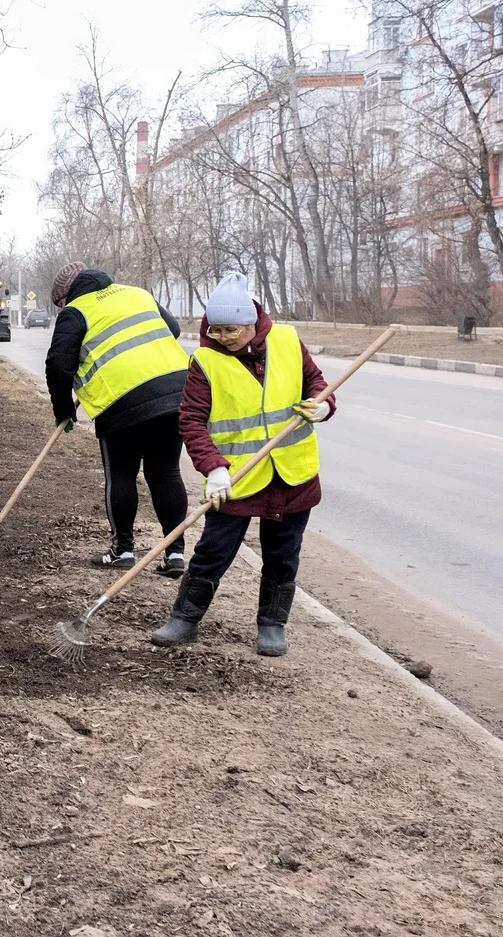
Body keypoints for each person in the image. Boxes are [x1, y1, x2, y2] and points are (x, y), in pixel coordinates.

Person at [150, 273, 336, 658]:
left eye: (230, 329)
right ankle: (185, 619)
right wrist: (213, 468)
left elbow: (316, 383)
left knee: (283, 555)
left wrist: (323, 405)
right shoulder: (206, 361)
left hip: (292, 475)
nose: (222, 337)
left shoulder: (287, 340)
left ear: (252, 322)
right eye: (215, 330)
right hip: (236, 477)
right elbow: (191, 420)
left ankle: (272, 625)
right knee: (213, 550)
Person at [45, 262, 191, 573]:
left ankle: (122, 551)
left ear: (66, 295)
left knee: (122, 475)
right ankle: (175, 554)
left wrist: (63, 410)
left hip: (120, 400)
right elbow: (174, 330)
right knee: (166, 472)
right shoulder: (137, 293)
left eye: (61, 303)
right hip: (174, 394)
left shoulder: (76, 311)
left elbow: (58, 363)